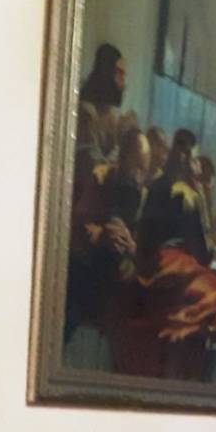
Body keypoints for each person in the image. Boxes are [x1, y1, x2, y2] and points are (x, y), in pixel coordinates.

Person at [125, 129, 216, 379]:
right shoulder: (188, 195)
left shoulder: (155, 186)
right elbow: (201, 253)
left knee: (204, 290)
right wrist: (211, 252)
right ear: (187, 160)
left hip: (149, 268)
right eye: (193, 159)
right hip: (174, 264)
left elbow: (143, 235)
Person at [65, 125, 150, 344]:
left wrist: (131, 246)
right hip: (88, 267)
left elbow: (146, 249)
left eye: (144, 170)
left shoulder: (143, 196)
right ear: (122, 158)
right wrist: (102, 234)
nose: (139, 176)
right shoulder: (100, 177)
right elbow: (77, 226)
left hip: (120, 276)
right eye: (136, 166)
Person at [75, 44, 126, 185]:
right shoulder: (86, 112)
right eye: (119, 73)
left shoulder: (111, 114)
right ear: (107, 72)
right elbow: (94, 166)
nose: (123, 81)